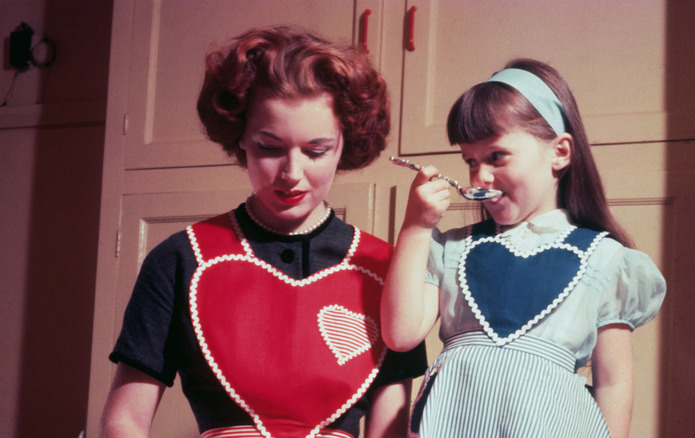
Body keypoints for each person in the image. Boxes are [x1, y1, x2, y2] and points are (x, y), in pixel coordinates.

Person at [99, 26, 427, 438]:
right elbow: (124, 421)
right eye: (269, 147)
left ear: (347, 143)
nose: (292, 174)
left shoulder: (390, 271)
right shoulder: (179, 260)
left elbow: (389, 433)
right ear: (240, 139)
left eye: (316, 150)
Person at [380, 58, 666, 438]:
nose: (480, 176)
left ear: (560, 153)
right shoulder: (451, 248)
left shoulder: (608, 261)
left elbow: (613, 383)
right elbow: (400, 335)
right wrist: (416, 226)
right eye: (470, 160)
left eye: (496, 156)